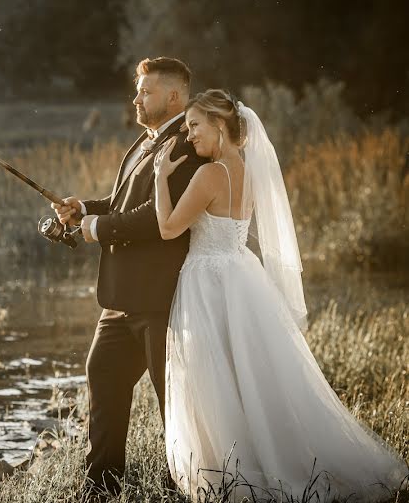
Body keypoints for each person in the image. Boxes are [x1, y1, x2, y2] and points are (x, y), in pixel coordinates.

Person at [153, 89, 408, 500]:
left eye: (195, 125)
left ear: (219, 125)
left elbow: (168, 228)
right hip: (242, 276)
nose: (189, 136)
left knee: (217, 379)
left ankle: (234, 468)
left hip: (206, 281)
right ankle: (277, 457)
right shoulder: (251, 172)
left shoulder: (209, 174)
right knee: (257, 377)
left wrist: (160, 177)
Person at [52, 57, 207, 495]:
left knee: (171, 402)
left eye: (146, 91)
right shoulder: (144, 141)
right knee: (103, 379)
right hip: (119, 298)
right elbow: (124, 202)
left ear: (174, 96)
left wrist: (98, 229)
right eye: (137, 90)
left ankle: (184, 485)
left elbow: (159, 218)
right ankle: (100, 486)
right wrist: (85, 209)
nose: (136, 98)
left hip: (162, 298)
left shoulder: (188, 142)